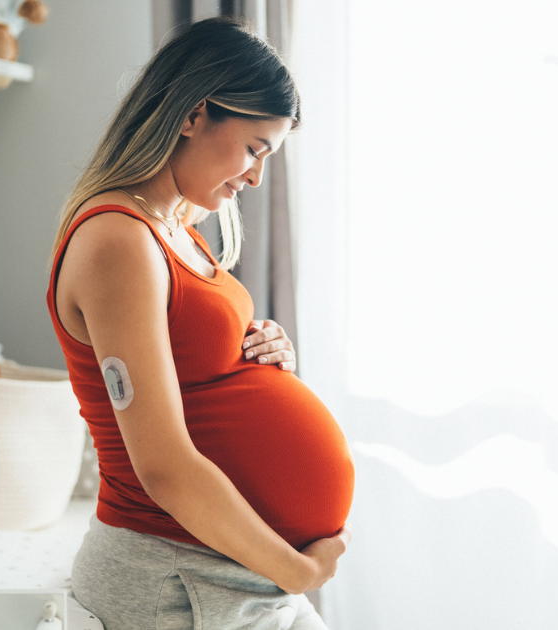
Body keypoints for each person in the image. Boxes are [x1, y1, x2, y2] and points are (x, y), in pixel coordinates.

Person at [45, 17, 355, 630]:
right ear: (194, 113)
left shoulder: (172, 228)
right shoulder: (119, 240)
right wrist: (298, 573)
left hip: (220, 567)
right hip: (178, 576)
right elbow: (162, 467)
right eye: (253, 149)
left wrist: (263, 358)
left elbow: (195, 375)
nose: (256, 177)